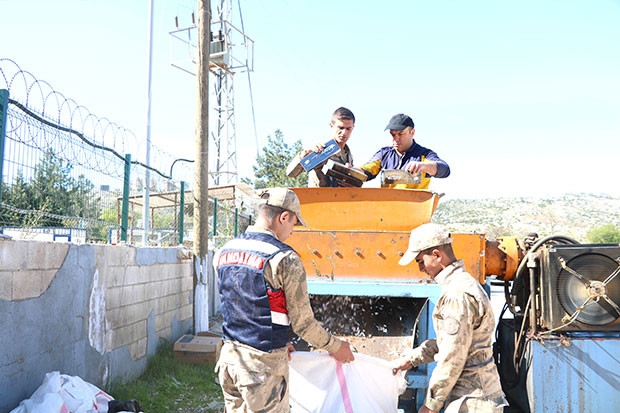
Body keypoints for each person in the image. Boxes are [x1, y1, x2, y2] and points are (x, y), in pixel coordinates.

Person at [215, 187, 355, 412]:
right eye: (293, 224)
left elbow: (245, 304)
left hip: (229, 360)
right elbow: (304, 324)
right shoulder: (283, 258)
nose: (292, 231)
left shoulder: (225, 251)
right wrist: (336, 347)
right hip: (261, 370)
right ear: (284, 217)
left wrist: (278, 340)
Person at [391, 223, 508, 413]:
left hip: (473, 401)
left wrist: (431, 405)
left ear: (437, 255)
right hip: (474, 397)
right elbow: (452, 342)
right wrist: (412, 359)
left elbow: (452, 355)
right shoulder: (462, 285)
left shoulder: (456, 294)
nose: (421, 268)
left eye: (421, 260)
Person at [358, 113, 450, 189]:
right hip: (388, 209)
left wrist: (423, 166)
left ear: (412, 132)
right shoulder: (384, 154)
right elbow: (366, 170)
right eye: (393, 134)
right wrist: (352, 170)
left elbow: (445, 170)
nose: (396, 139)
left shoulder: (424, 155)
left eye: (401, 134)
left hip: (415, 209)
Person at [286, 107, 356, 187]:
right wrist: (305, 154)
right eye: (341, 128)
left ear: (353, 128)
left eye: (348, 129)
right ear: (331, 126)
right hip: (318, 198)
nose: (344, 132)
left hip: (340, 198)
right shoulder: (322, 150)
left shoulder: (348, 155)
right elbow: (291, 173)